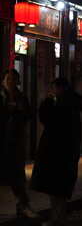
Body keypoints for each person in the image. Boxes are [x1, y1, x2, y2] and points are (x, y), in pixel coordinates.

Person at [31, 78, 82, 225]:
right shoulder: (71, 104)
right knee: (60, 189)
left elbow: (47, 119)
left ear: (60, 88)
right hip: (66, 152)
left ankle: (57, 219)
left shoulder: (61, 105)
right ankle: (59, 217)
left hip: (57, 153)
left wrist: (46, 103)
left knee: (56, 189)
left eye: (54, 88)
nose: (53, 91)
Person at [0, 69, 39, 220]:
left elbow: (28, 115)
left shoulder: (22, 98)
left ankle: (22, 206)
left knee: (16, 176)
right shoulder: (0, 95)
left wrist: (17, 110)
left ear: (18, 81)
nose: (10, 82)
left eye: (13, 79)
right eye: (7, 79)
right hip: (2, 140)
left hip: (15, 142)